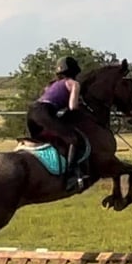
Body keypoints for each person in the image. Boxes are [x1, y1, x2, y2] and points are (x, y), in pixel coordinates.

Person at [26, 56, 87, 192]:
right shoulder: (73, 84)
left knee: (47, 142)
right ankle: (70, 177)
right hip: (44, 113)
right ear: (75, 70)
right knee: (74, 140)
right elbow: (72, 107)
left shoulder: (51, 84)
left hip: (31, 113)